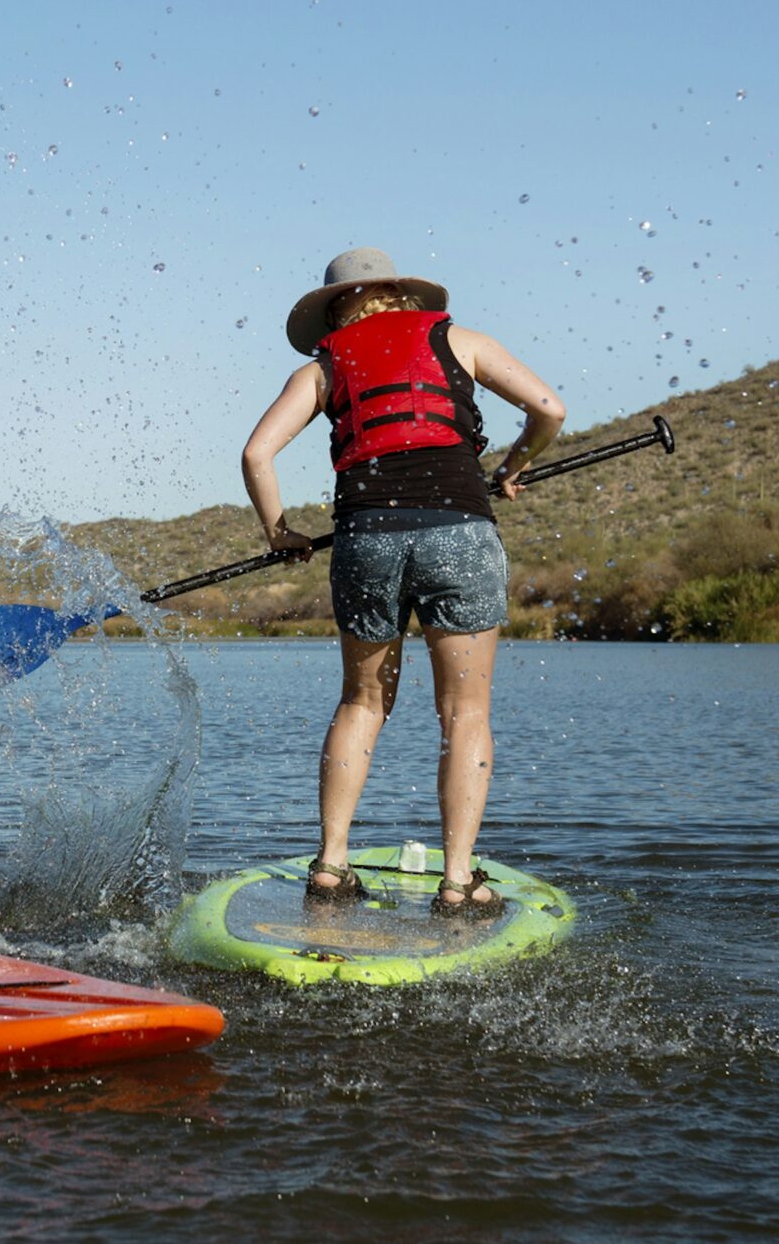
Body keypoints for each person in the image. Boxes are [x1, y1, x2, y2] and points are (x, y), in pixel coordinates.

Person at [238, 247, 564, 917]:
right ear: (398, 292)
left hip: (365, 542)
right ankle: (457, 882)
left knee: (361, 705)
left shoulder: (322, 366)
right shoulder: (459, 339)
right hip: (460, 535)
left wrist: (279, 531)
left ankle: (330, 866)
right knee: (465, 713)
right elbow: (550, 408)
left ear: (334, 309)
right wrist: (512, 465)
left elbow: (256, 453)